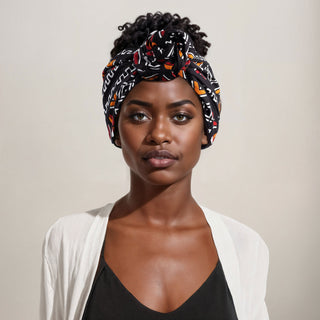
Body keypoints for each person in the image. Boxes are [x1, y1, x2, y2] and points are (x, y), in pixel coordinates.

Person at [40, 12, 269, 320]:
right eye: (138, 116)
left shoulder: (246, 248)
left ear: (206, 129)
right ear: (115, 129)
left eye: (181, 116)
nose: (159, 134)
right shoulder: (69, 239)